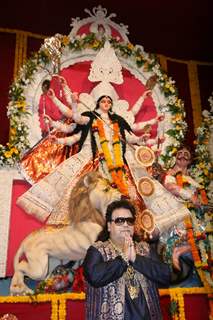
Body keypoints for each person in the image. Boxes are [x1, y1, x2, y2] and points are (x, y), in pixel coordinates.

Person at [83, 199, 192, 320]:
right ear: (109, 226)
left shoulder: (145, 249)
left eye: (129, 221)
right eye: (119, 221)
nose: (125, 225)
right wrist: (123, 258)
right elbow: (95, 277)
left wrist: (136, 259)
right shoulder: (97, 250)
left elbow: (165, 276)